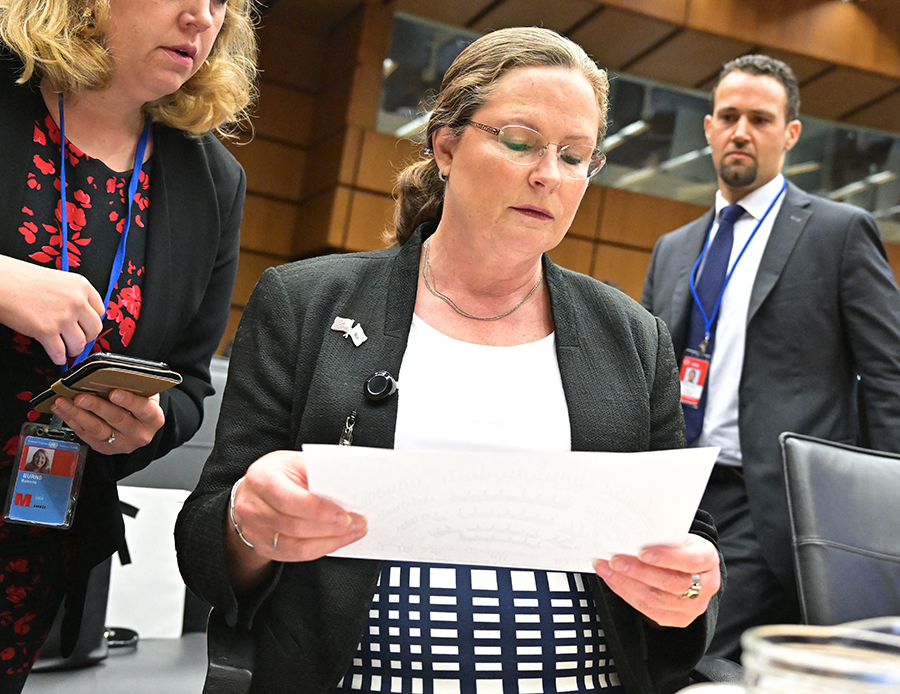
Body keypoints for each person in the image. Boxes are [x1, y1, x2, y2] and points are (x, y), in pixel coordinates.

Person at [177, 27, 722, 694]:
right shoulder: (306, 304)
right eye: (520, 142)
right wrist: (249, 520)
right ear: (445, 146)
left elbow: (685, 540)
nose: (547, 174)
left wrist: (692, 582)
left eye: (575, 156)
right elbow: (208, 541)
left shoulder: (634, 338)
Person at [0, 0, 257, 688]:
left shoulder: (213, 179)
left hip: (33, 535)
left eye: (222, 3)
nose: (203, 18)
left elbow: (191, 384)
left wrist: (144, 426)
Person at [641, 54, 900, 661]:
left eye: (760, 118)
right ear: (707, 128)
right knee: (644, 647)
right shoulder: (674, 248)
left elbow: (890, 376)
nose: (741, 130)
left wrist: (886, 511)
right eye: (728, 116)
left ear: (790, 134)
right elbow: (645, 377)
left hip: (773, 500)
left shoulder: (839, 232)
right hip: (681, 493)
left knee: (703, 654)